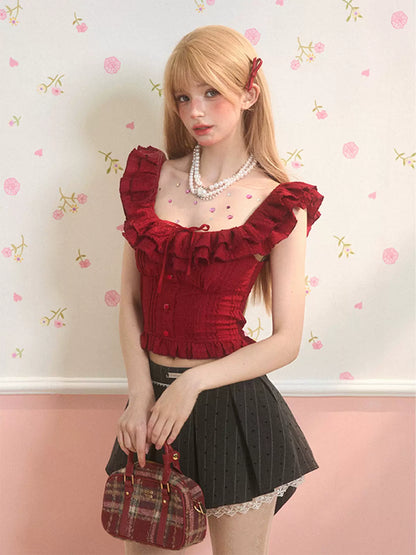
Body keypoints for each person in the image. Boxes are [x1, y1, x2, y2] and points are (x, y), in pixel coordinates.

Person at [104, 24, 324, 555]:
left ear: (249, 94)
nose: (195, 111)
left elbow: (286, 341)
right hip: (152, 405)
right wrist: (140, 392)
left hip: (234, 408)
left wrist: (193, 383)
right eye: (183, 97)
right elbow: (130, 303)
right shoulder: (151, 181)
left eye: (210, 93)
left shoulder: (280, 203)